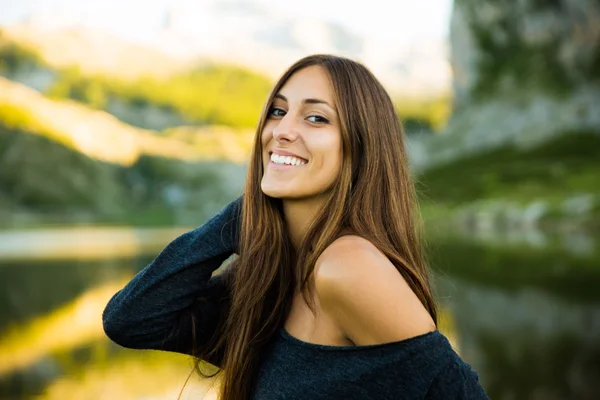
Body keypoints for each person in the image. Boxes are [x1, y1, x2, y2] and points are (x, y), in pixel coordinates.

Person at [102, 54, 489, 400]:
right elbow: (131, 320)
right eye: (277, 111)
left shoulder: (349, 266)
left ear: (361, 147)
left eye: (316, 118)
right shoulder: (268, 278)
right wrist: (250, 214)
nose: (282, 130)